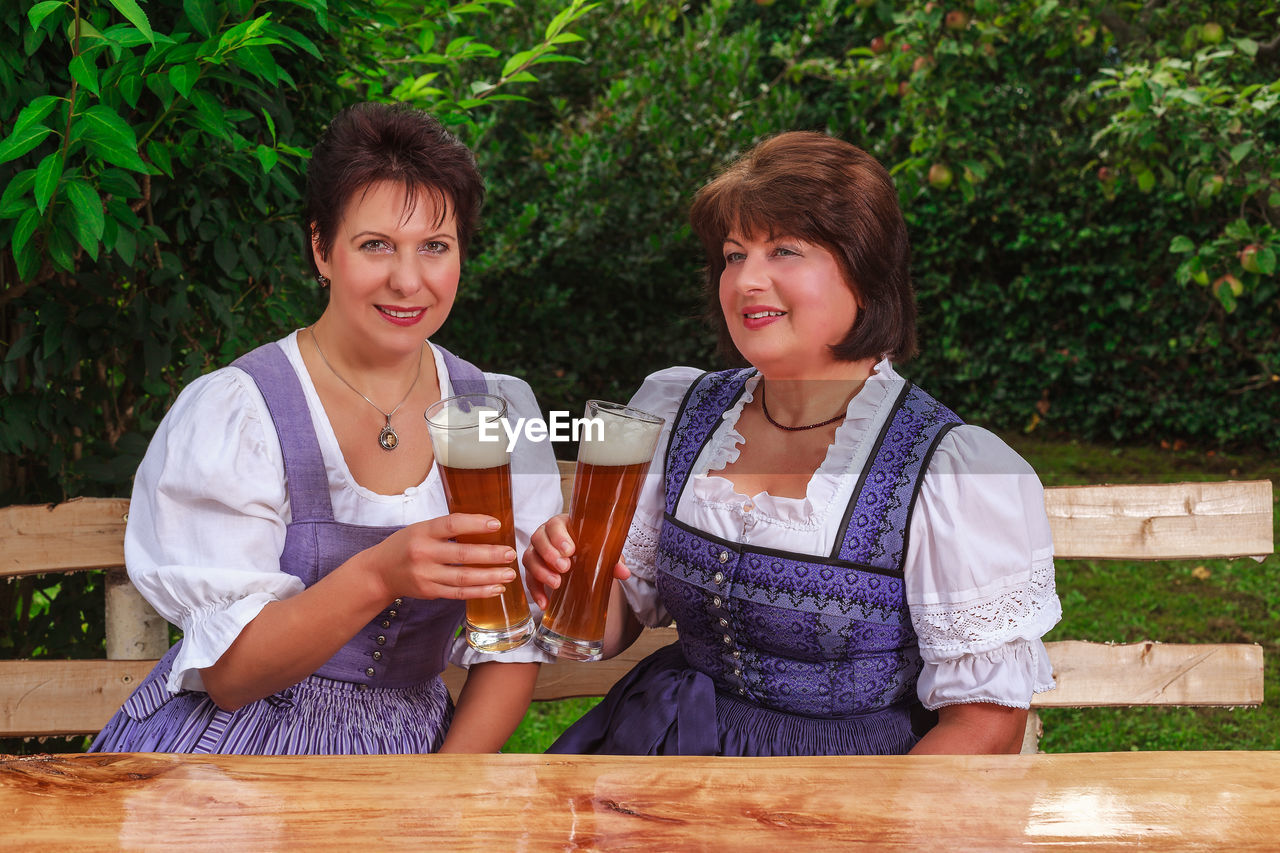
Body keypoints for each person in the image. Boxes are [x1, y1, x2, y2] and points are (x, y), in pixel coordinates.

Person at [524, 131, 1061, 756]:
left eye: (784, 250)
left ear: (866, 268)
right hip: (664, 748)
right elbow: (614, 623)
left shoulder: (947, 470)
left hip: (849, 793)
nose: (747, 279)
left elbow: (984, 725)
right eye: (732, 255)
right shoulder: (678, 413)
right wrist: (564, 583)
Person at [91, 102, 560, 755]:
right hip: (246, 740)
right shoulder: (243, 410)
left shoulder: (498, 411)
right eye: (376, 245)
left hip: (417, 749)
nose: (408, 279)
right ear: (321, 248)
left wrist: (444, 795)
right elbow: (231, 677)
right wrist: (379, 573)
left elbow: (512, 645)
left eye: (435, 247)